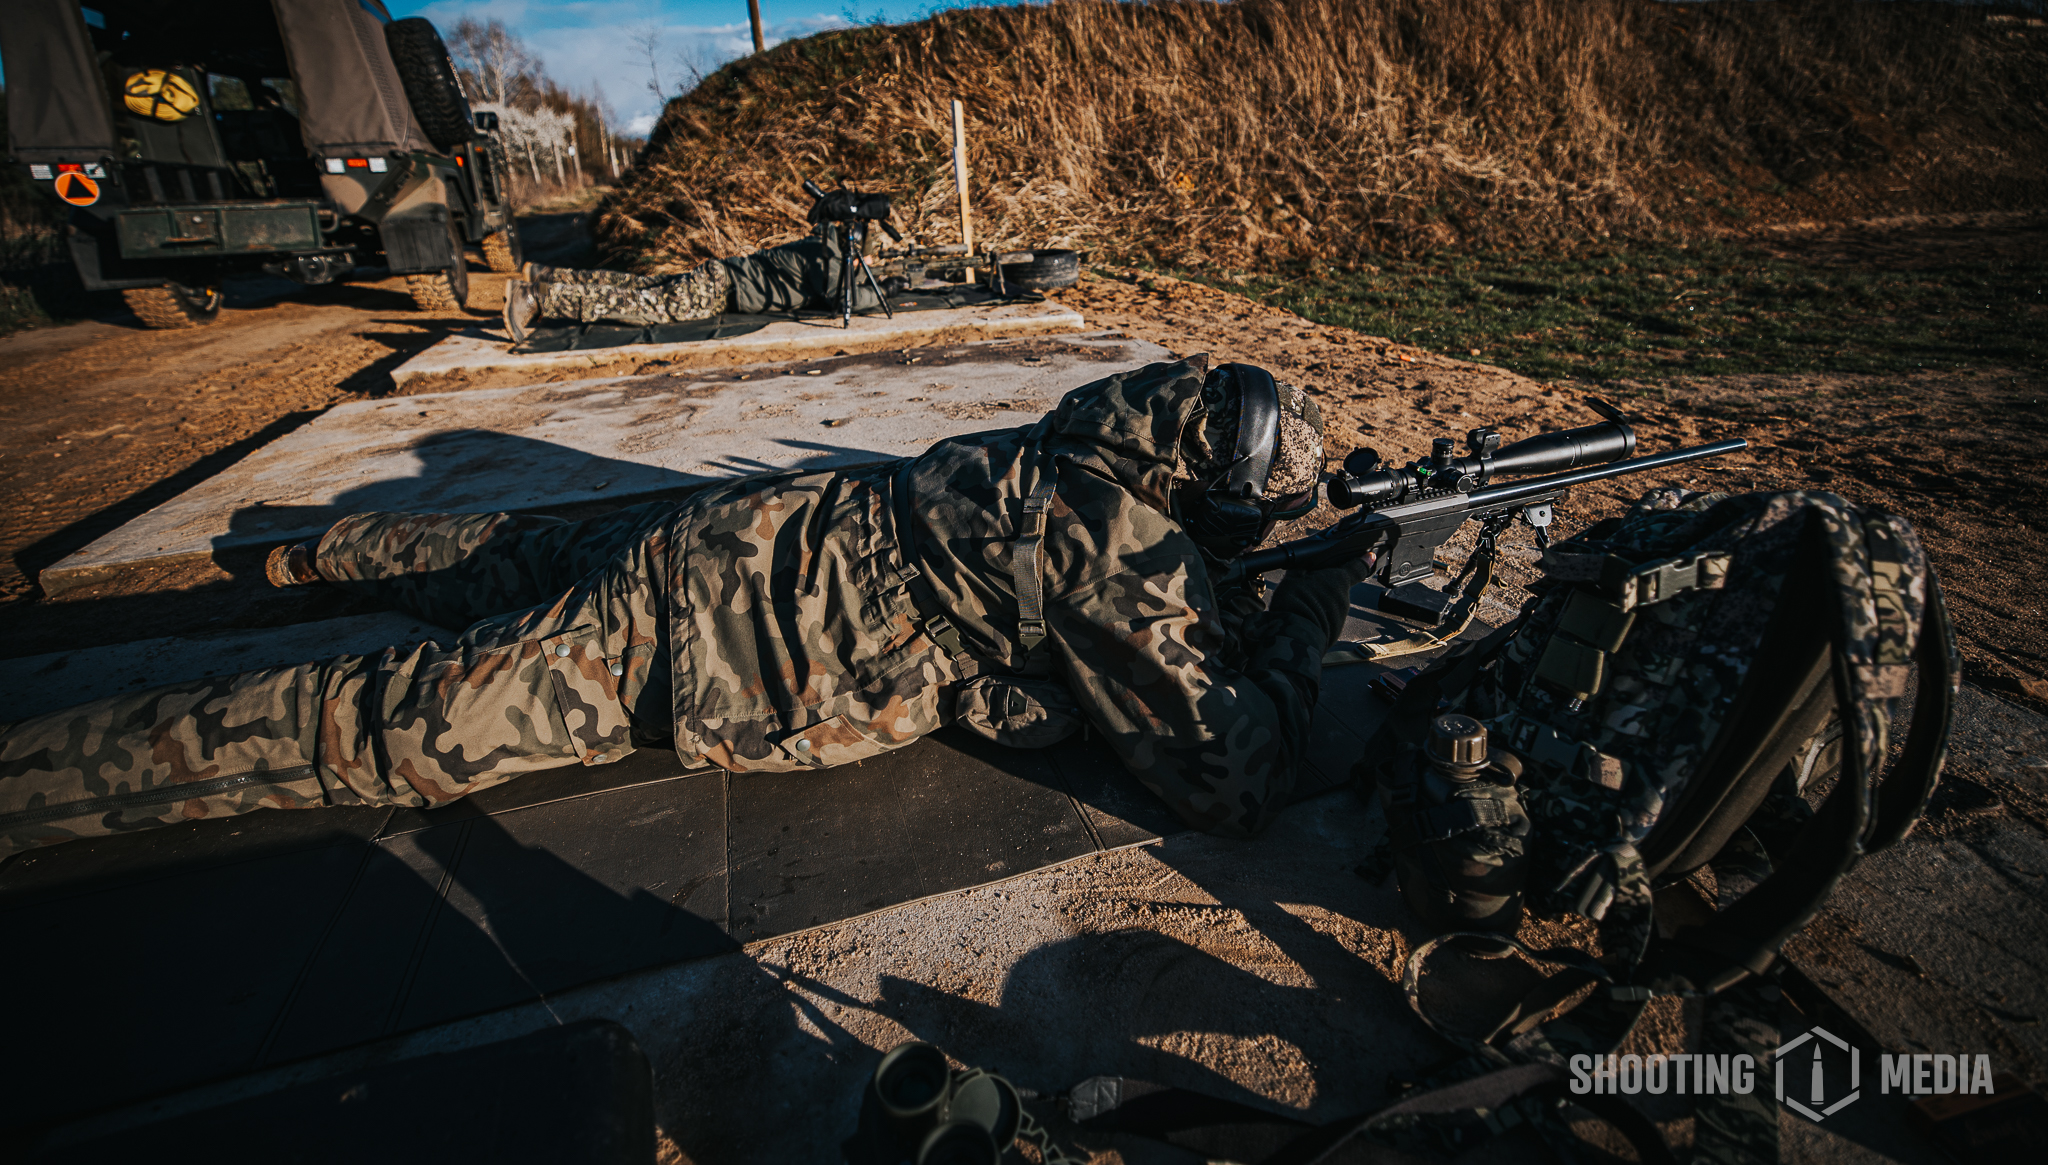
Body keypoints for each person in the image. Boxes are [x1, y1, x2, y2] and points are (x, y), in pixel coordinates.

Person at [0, 358, 1372, 859]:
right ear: (1210, 481)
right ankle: (35, 776)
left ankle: (308, 551)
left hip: (731, 529)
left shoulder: (1077, 440)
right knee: (385, 729)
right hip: (695, 638)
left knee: (489, 552)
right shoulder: (1116, 554)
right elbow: (1227, 781)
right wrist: (1311, 619)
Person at [501, 234, 896, 344]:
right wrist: (886, 288)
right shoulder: (828, 261)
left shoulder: (821, 248)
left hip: (720, 276)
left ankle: (549, 276)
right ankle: (537, 297)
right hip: (721, 290)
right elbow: (841, 298)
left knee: (639, 285)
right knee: (647, 306)